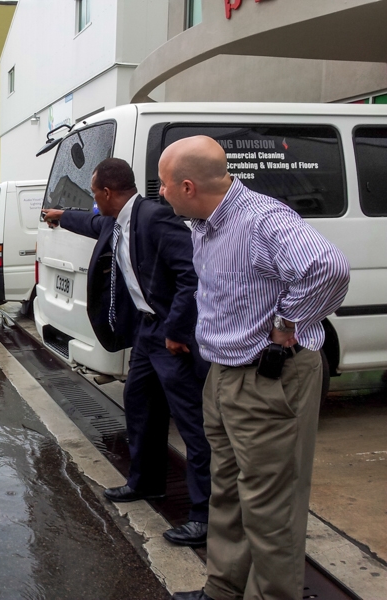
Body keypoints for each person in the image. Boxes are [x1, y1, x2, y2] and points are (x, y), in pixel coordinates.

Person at [158, 136, 350, 600]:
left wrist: (288, 325)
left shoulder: (262, 219)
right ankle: (224, 589)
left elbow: (329, 268)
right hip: (224, 374)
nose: (159, 193)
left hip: (267, 379)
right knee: (227, 492)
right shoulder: (206, 224)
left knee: (271, 506)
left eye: (163, 185)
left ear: (187, 187)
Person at [42, 157, 212, 547]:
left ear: (106, 192)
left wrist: (176, 330)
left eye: (94, 191)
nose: (94, 199)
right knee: (140, 405)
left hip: (172, 336)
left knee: (192, 425)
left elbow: (191, 274)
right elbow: (92, 222)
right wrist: (60, 216)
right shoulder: (116, 219)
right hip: (148, 333)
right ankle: (147, 483)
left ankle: (203, 517)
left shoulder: (155, 218)